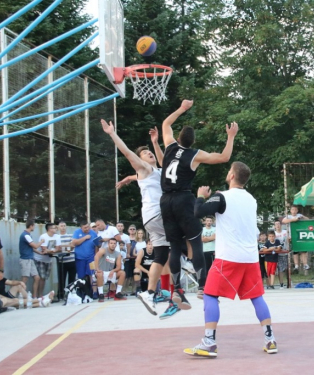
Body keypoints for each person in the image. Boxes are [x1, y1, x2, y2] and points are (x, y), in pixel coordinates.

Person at [184, 161, 277, 357]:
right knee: (257, 297)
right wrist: (217, 198)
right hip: (250, 257)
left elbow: (198, 212)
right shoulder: (251, 199)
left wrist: (201, 196)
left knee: (209, 294)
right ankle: (270, 340)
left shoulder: (222, 197)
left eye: (229, 171)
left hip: (229, 257)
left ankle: (209, 342)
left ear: (232, 176)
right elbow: (229, 209)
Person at [159, 99, 238, 310]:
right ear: (193, 143)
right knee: (196, 244)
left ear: (178, 138)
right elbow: (224, 157)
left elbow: (166, 124)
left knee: (175, 247)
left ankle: (177, 290)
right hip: (184, 200)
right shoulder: (195, 155)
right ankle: (202, 287)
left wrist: (182, 108)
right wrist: (230, 137)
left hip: (165, 201)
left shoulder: (169, 146)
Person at [102, 119, 176, 318]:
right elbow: (127, 152)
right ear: (140, 160)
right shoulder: (144, 168)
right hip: (158, 214)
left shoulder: (157, 171)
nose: (148, 154)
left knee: (161, 257)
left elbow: (164, 163)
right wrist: (112, 133)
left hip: (152, 220)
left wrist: (155, 143)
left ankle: (153, 293)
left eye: (149, 152)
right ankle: (195, 272)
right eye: (144, 154)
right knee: (187, 230)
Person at [34, 223, 61, 299]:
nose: (56, 229)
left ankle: (40, 294)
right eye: (54, 228)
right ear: (49, 229)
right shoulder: (43, 237)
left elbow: (59, 248)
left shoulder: (57, 236)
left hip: (49, 259)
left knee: (45, 278)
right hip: (40, 259)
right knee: (41, 277)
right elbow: (44, 249)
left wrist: (51, 251)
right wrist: (53, 250)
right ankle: (39, 295)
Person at [19, 220, 43, 298]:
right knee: (25, 278)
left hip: (30, 259)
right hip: (25, 260)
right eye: (34, 226)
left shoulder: (28, 235)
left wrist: (40, 253)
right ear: (31, 226)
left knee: (37, 277)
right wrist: (42, 242)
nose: (34, 227)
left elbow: (31, 248)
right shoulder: (26, 235)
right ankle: (21, 297)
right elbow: (35, 246)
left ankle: (34, 296)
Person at [282, 205, 309, 272]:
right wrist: (293, 220)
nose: (294, 211)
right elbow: (284, 221)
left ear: (297, 210)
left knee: (303, 250)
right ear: (290, 210)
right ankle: (296, 265)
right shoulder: (289, 216)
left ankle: (305, 264)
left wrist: (303, 217)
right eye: (292, 209)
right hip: (292, 236)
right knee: (295, 251)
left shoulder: (299, 215)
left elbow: (308, 220)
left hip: (300, 235)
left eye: (295, 209)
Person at [57, 221, 76, 298]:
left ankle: (70, 293)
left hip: (71, 260)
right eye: (61, 226)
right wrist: (66, 246)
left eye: (64, 226)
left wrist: (63, 246)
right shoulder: (57, 237)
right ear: (58, 227)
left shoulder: (70, 236)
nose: (63, 227)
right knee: (61, 279)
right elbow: (57, 247)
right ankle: (61, 294)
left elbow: (72, 245)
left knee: (71, 279)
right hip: (61, 261)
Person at [274, 220, 288, 289]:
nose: (278, 225)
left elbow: (290, 239)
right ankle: (281, 283)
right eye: (276, 224)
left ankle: (289, 281)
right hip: (278, 254)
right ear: (274, 226)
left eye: (279, 224)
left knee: (287, 268)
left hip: (286, 251)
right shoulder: (274, 234)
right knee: (280, 269)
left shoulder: (285, 232)